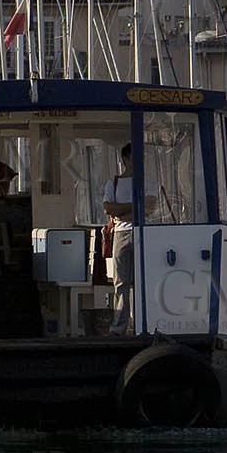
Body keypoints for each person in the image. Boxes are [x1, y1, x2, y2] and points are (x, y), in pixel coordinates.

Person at [103, 142, 135, 336]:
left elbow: (150, 205)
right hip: (121, 234)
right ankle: (119, 328)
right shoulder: (113, 182)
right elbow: (108, 208)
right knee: (121, 283)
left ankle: (143, 324)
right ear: (125, 160)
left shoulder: (146, 180)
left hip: (144, 233)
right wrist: (134, 207)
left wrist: (121, 210)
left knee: (143, 281)